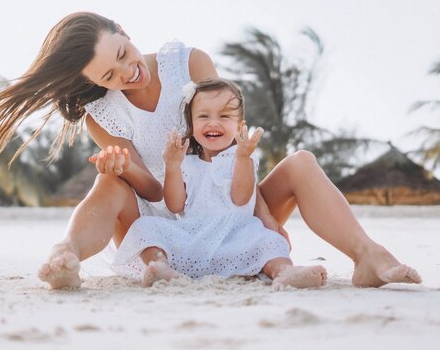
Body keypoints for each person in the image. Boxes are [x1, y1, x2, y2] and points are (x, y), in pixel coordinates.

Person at [0, 11, 421, 290]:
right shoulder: (103, 112)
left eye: (123, 53)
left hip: (226, 207)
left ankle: (367, 255)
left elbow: (228, 143)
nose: (127, 73)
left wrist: (261, 219)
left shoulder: (189, 63)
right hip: (163, 226)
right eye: (108, 76)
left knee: (301, 162)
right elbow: (153, 191)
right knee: (110, 178)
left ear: (123, 29)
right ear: (94, 86)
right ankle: (66, 254)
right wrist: (125, 168)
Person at [112, 78, 327, 288]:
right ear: (192, 125)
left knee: (269, 241)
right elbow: (174, 206)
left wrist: (243, 158)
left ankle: (284, 272)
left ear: (239, 126)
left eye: (224, 116)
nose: (213, 122)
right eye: (203, 116)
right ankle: (161, 267)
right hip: (192, 239)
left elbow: (241, 199)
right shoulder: (186, 163)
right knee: (145, 226)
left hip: (236, 238)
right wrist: (172, 166)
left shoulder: (242, 159)